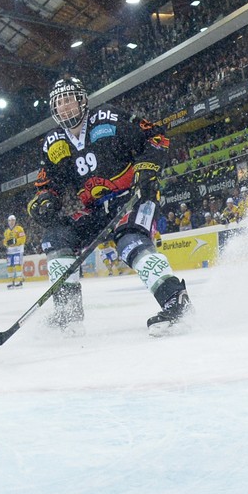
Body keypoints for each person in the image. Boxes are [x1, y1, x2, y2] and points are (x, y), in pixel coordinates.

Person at [26, 75, 193, 337]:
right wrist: (45, 199)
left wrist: (147, 168)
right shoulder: (53, 143)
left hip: (133, 197)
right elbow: (48, 183)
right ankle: (68, 315)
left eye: (69, 99)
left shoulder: (108, 117)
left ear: (82, 101)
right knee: (57, 238)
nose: (65, 107)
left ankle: (176, 301)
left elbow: (156, 136)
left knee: (130, 241)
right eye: (59, 103)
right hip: (96, 210)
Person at [2, 214, 26, 288]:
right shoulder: (6, 232)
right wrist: (6, 244)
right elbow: (5, 241)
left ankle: (20, 281)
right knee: (10, 266)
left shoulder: (19, 229)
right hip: (10, 251)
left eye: (12, 220)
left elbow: (23, 239)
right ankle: (11, 282)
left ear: (15, 221)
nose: (11, 222)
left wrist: (15, 241)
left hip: (18, 250)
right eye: (9, 220)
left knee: (17, 265)